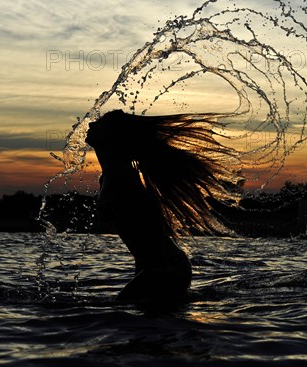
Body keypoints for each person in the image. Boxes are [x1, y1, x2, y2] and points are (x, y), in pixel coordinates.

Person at [85, 110, 238, 302]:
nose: (91, 125)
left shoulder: (121, 177)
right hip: (159, 266)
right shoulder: (110, 175)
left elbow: (146, 230)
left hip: (165, 268)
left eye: (100, 123)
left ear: (113, 137)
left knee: (121, 313)